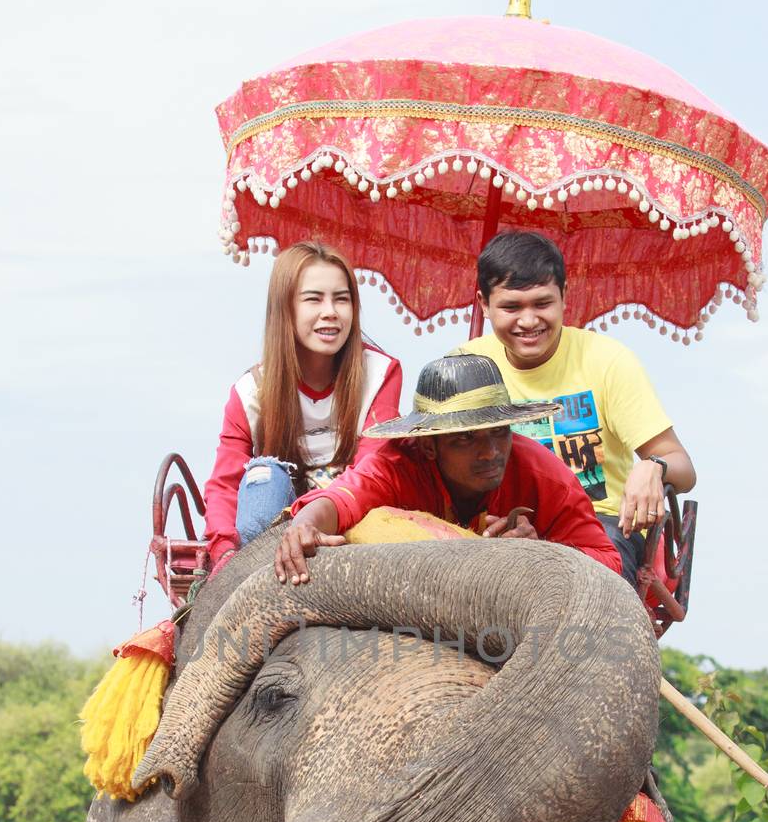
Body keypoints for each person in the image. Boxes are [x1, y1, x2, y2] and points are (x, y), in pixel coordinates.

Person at [456, 230, 696, 586]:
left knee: (589, 577)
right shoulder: (464, 365)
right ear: (484, 304)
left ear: (565, 297)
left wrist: (654, 467)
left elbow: (683, 467)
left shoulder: (608, 361)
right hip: (497, 528)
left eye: (542, 304)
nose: (528, 321)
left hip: (597, 528)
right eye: (511, 307)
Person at [274, 354, 622, 584]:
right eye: (466, 439)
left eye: (500, 433)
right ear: (428, 444)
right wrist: (303, 527)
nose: (490, 453)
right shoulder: (397, 463)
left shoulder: (544, 476)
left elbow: (608, 561)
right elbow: (340, 501)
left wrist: (541, 551)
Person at [203, 240, 402, 568]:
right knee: (265, 480)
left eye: (342, 299)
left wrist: (319, 514)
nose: (331, 312)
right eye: (314, 299)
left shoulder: (379, 374)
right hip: (274, 530)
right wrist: (224, 553)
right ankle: (261, 576)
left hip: (352, 511)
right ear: (285, 309)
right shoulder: (251, 392)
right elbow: (224, 484)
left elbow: (374, 466)